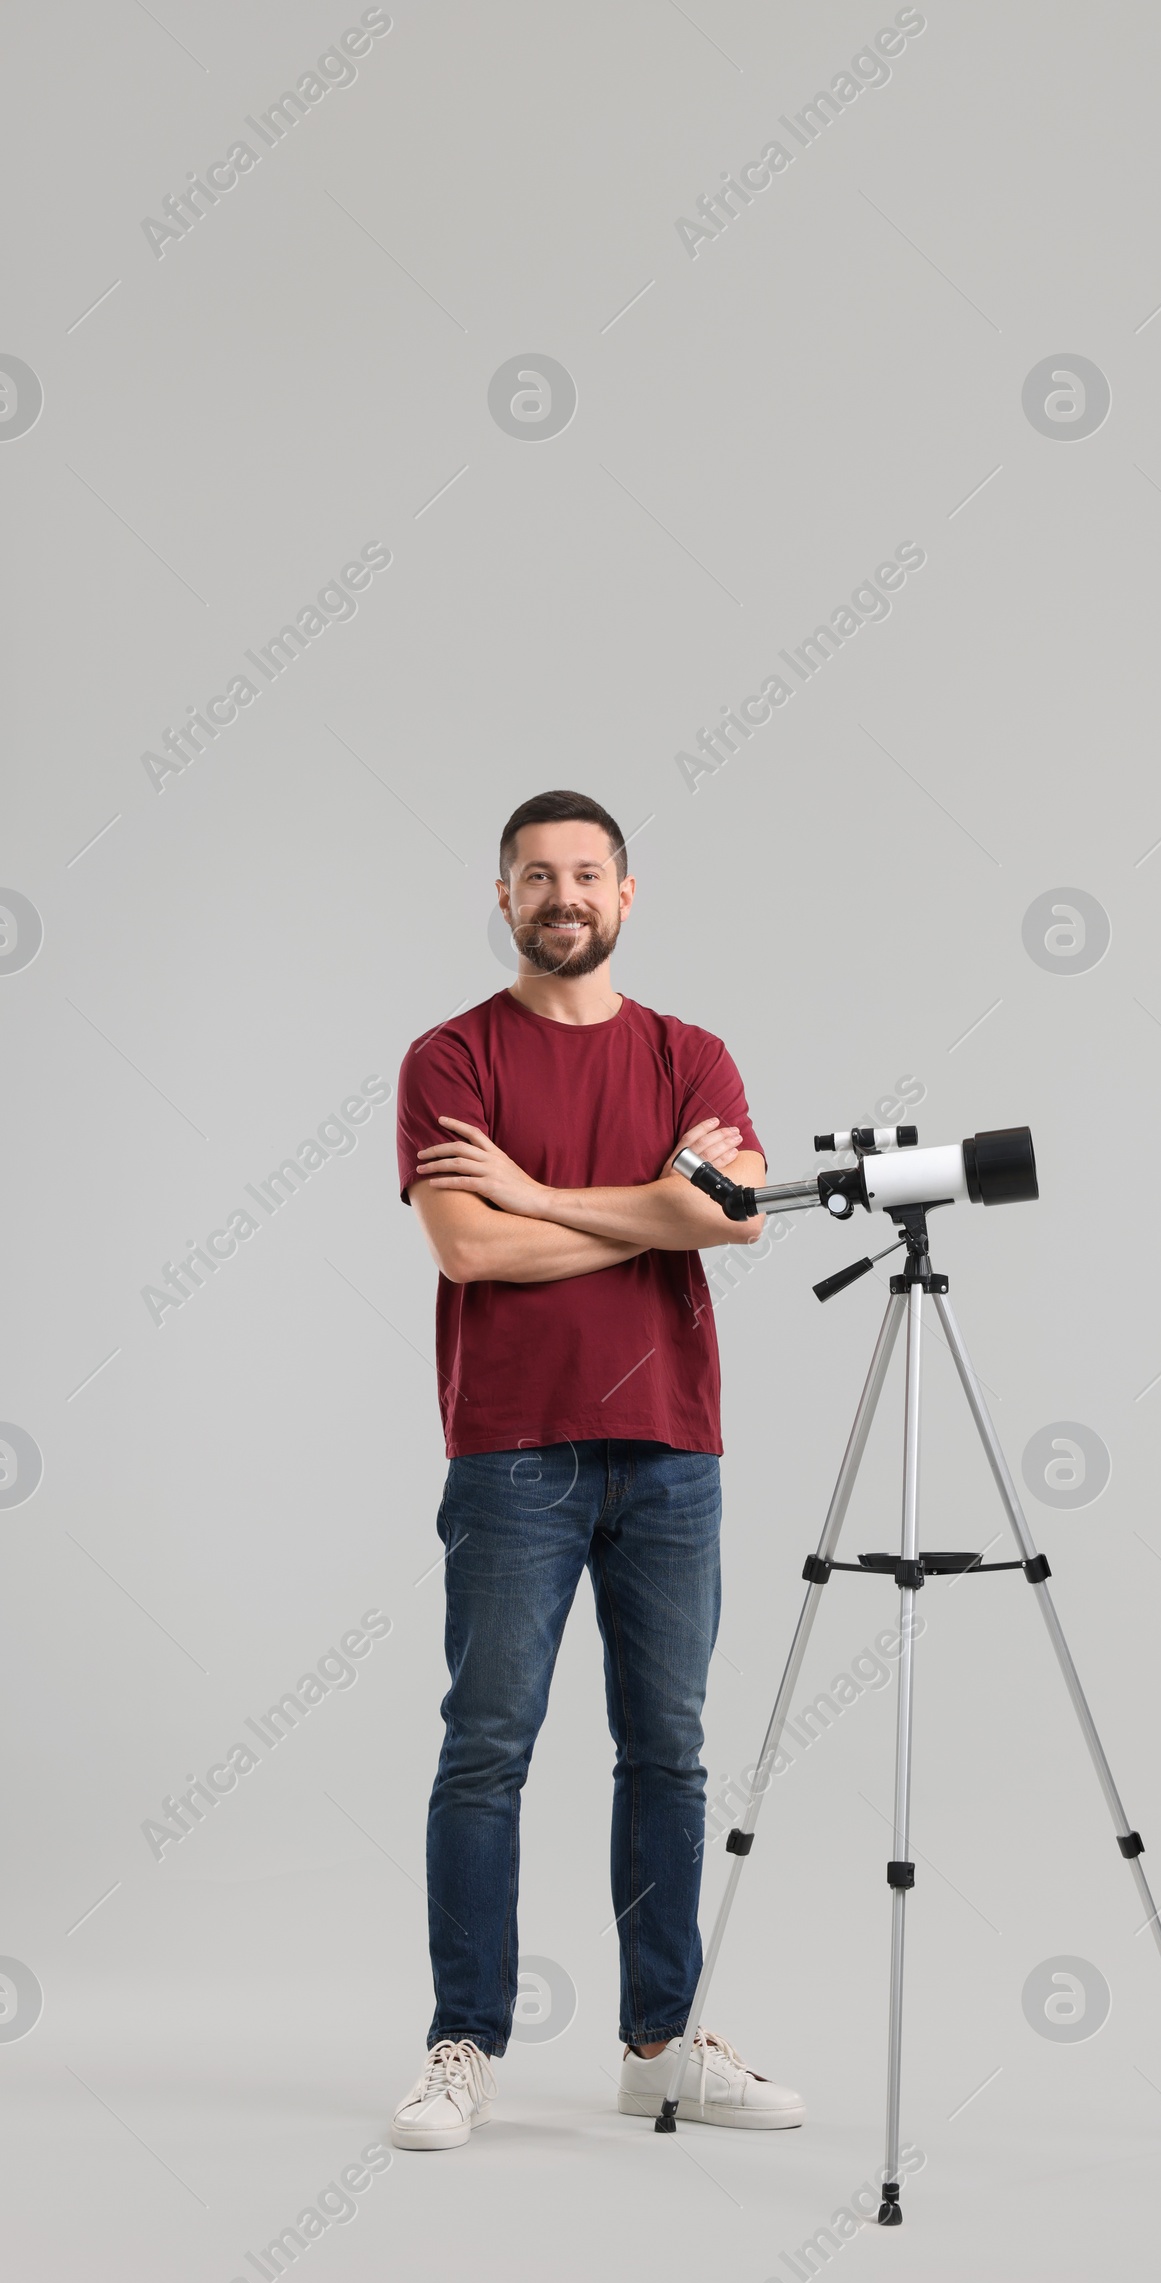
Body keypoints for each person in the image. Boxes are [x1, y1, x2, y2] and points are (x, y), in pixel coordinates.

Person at [387, 790, 804, 2149]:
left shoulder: (693, 1054)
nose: (561, 894)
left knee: (668, 1754)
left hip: (673, 1453)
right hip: (513, 1452)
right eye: (534, 876)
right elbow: (472, 1251)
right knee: (487, 1750)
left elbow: (729, 1221)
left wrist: (542, 1192)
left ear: (627, 896)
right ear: (501, 901)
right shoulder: (449, 1059)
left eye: (585, 873)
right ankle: (462, 2045)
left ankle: (660, 2046)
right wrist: (648, 1213)